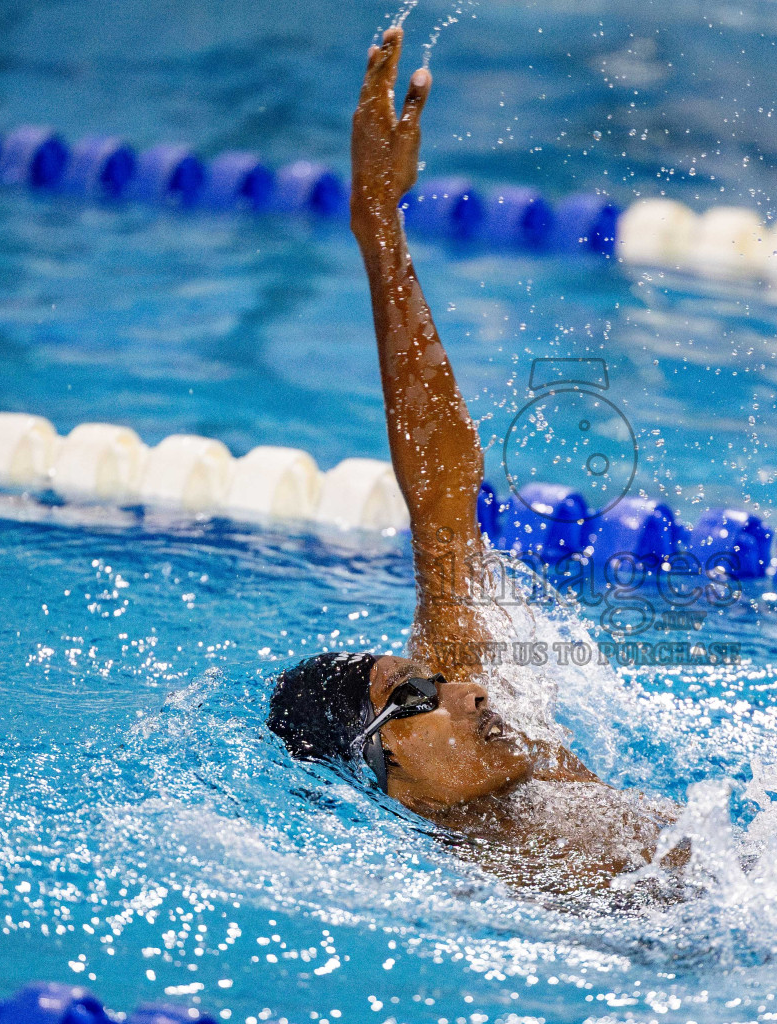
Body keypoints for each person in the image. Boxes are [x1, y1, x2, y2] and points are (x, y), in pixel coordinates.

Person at [268, 26, 676, 897]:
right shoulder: (479, 896)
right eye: (416, 702)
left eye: (434, 683)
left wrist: (379, 227)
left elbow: (441, 487)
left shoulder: (496, 747)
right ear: (385, 780)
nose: (468, 694)